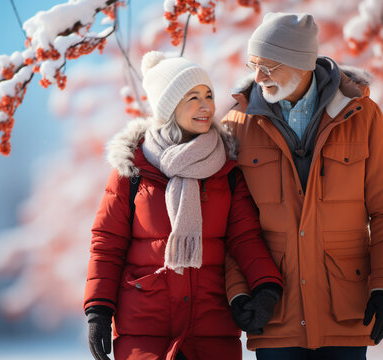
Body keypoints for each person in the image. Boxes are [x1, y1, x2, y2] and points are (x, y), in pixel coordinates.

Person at [222, 12, 383, 360]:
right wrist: (240, 292)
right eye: (254, 64)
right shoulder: (237, 125)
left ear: (302, 63)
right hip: (275, 310)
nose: (257, 76)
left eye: (269, 65)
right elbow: (230, 222)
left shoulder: (362, 116)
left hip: (347, 308)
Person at [83, 51, 283, 360]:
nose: (206, 106)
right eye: (192, 97)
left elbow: (246, 238)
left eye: (208, 95)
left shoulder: (226, 170)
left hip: (211, 327)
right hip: (144, 329)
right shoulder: (133, 168)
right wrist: (98, 310)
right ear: (169, 105)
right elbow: (106, 244)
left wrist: (266, 286)